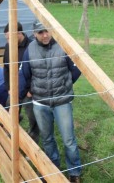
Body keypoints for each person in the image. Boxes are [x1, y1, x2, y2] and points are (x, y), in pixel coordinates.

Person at [19, 20, 82, 183]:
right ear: (34, 34)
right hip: (40, 102)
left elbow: (76, 69)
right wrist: (23, 91)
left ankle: (74, 171)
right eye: (41, 32)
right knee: (47, 138)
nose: (45, 35)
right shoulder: (29, 50)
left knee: (68, 139)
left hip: (62, 101)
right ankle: (52, 168)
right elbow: (24, 73)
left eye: (47, 31)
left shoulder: (63, 46)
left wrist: (65, 84)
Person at [3, 22, 39, 143]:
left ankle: (33, 141)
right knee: (9, 109)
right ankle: (10, 133)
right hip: (14, 88)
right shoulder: (8, 46)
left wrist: (31, 90)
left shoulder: (32, 46)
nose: (8, 41)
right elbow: (6, 67)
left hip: (29, 90)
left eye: (10, 38)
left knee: (32, 116)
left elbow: (37, 70)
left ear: (19, 33)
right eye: (6, 38)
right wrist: (8, 86)